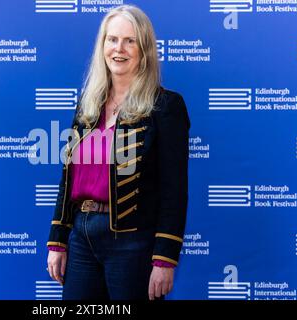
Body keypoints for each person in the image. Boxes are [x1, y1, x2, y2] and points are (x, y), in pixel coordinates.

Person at [46, 5, 190, 300]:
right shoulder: (88, 106)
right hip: (81, 238)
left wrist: (164, 258)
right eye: (112, 39)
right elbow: (68, 179)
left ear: (144, 49)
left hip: (133, 242)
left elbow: (174, 190)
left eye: (129, 40)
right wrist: (58, 241)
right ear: (102, 46)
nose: (119, 49)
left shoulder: (165, 106)